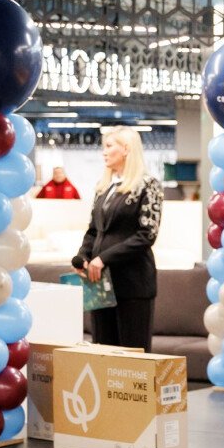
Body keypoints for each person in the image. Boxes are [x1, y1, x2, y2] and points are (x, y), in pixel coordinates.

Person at [72, 128, 164, 351]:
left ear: (126, 149)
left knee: (132, 355)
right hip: (100, 283)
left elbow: (147, 234)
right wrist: (83, 256)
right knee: (103, 352)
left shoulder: (148, 185)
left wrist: (103, 258)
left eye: (109, 146)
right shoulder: (104, 187)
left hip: (133, 283)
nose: (104, 152)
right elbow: (93, 230)